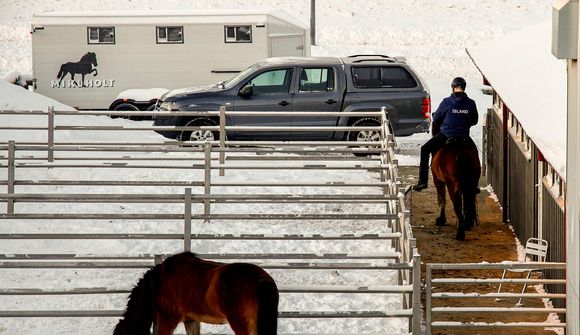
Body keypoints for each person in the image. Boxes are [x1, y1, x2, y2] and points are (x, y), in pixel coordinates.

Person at [412, 77, 478, 191]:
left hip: (447, 135)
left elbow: (437, 119)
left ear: (453, 88)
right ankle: (475, 184)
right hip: (464, 136)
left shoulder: (446, 102)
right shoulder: (471, 103)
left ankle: (423, 182)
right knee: (474, 154)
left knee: (425, 149)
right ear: (464, 88)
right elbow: (474, 120)